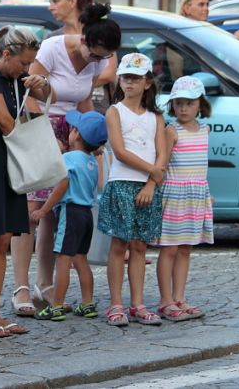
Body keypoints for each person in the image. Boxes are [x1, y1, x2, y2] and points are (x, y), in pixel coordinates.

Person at [10, 3, 121, 316]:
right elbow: (27, 94)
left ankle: (44, 284)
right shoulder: (52, 49)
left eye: (104, 58)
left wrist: (90, 139)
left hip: (72, 132)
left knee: (54, 213)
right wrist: (50, 138)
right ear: (84, 39)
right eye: (96, 54)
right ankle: (20, 287)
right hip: (40, 127)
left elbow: (83, 97)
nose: (98, 62)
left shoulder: (97, 61)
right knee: (31, 208)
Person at [0, 26, 50, 337]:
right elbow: (4, 122)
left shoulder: (13, 77)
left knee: (3, 242)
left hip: (11, 166)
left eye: (30, 64)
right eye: (23, 63)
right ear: (6, 54)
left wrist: (39, 82)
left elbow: (45, 97)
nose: (26, 69)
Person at [98, 53, 167, 327]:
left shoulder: (155, 117)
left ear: (147, 82)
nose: (129, 82)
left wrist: (152, 182)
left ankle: (137, 302)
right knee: (119, 245)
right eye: (126, 77)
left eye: (136, 78)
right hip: (122, 182)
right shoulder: (114, 111)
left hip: (146, 186)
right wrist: (153, 171)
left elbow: (162, 152)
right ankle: (116, 303)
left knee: (140, 246)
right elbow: (120, 151)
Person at [30, 111, 108, 322]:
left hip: (70, 212)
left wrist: (43, 210)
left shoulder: (69, 158)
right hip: (86, 215)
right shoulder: (92, 162)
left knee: (63, 261)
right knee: (81, 259)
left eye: (73, 129)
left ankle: (55, 305)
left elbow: (62, 184)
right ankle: (88, 303)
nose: (70, 132)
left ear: (78, 136)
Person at [156, 76, 214, 321]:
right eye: (178, 103)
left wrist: (206, 195)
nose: (183, 108)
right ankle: (165, 300)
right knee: (169, 249)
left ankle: (180, 296)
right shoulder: (172, 131)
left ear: (200, 104)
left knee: (186, 249)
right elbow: (162, 163)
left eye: (189, 103)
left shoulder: (205, 129)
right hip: (175, 195)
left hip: (195, 196)